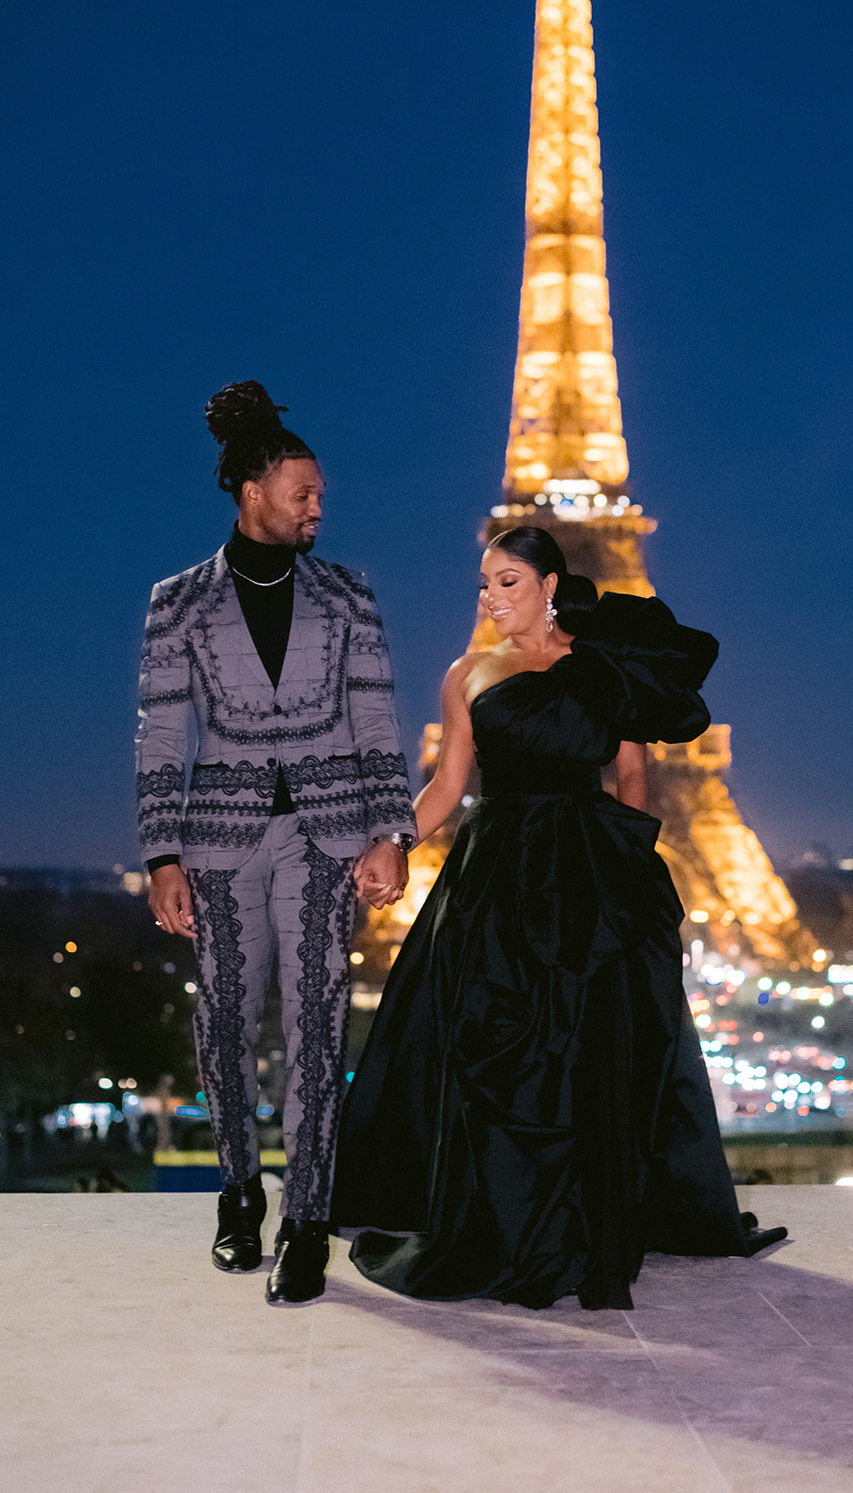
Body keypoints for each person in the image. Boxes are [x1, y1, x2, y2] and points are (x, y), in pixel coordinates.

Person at [331, 526, 786, 1310]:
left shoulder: (605, 667)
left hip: (584, 868)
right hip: (497, 873)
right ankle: (505, 1223)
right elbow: (447, 787)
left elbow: (632, 776)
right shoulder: (467, 673)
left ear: (548, 586)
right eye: (483, 584)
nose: (489, 598)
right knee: (495, 1044)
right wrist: (394, 843)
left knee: (583, 1046)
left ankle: (575, 1222)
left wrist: (628, 868)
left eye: (506, 582)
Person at [135, 381, 415, 1304]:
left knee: (317, 1021)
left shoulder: (348, 597)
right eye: (304, 492)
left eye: (321, 494)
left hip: (326, 836)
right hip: (218, 840)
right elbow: (163, 736)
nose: (318, 507)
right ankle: (238, 1192)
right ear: (253, 489)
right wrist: (160, 854)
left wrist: (392, 831)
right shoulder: (176, 603)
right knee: (221, 1021)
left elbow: (378, 723)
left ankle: (305, 1220)